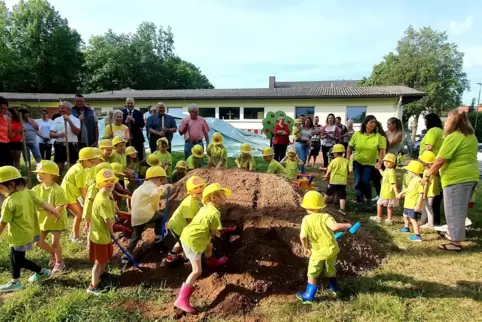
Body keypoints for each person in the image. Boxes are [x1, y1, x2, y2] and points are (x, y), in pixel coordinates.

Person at [422, 110, 478, 251]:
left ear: (453, 121)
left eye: (447, 119)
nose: (445, 122)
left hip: (456, 178)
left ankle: (455, 243)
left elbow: (441, 159)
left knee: (453, 210)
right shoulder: (471, 137)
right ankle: (453, 233)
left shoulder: (454, 137)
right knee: (460, 209)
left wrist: (427, 174)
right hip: (470, 176)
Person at [0, 166, 60, 293]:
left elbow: (3, 223)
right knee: (13, 257)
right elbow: (43, 203)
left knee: (18, 259)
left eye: (0, 187)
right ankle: (15, 281)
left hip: (19, 236)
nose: (0, 192)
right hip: (30, 232)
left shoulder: (9, 202)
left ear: (11, 184)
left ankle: (41, 272)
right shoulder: (29, 193)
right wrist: (54, 210)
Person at [175, 183, 230, 313]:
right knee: (197, 271)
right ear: (213, 198)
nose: (225, 197)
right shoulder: (214, 214)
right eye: (222, 195)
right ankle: (181, 300)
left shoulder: (205, 208)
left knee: (209, 245)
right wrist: (219, 232)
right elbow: (213, 233)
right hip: (193, 241)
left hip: (190, 235)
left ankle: (212, 262)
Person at [295, 191, 352, 304]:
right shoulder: (326, 216)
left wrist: (306, 247)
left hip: (317, 253)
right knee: (330, 268)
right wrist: (347, 225)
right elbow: (335, 227)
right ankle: (335, 288)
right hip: (331, 250)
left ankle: (308, 295)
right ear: (321, 206)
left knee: (312, 273)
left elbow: (302, 236)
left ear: (307, 207)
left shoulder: (306, 220)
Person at [124, 166, 171, 263]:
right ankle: (158, 236)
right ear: (157, 179)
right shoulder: (152, 187)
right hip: (145, 215)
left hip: (136, 216)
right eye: (161, 181)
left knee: (136, 236)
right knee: (160, 217)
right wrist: (165, 187)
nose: (161, 183)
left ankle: (127, 254)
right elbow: (155, 193)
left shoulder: (140, 188)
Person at [31, 160, 68, 274]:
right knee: (37, 242)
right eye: (38, 173)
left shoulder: (57, 190)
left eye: (43, 173)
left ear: (52, 175)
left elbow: (61, 205)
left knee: (55, 243)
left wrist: (55, 211)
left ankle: (59, 262)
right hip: (42, 220)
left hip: (56, 221)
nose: (39, 175)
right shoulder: (36, 189)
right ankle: (53, 253)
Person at [87, 168, 117, 295]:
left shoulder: (105, 195)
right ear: (99, 184)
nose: (110, 183)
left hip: (102, 235)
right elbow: (107, 220)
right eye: (106, 181)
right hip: (100, 236)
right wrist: (112, 231)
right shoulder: (102, 200)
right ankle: (93, 286)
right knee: (98, 263)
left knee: (104, 259)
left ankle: (102, 275)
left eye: (112, 181)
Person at [346, 115, 386, 210]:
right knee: (358, 182)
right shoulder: (357, 134)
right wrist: (347, 160)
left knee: (366, 181)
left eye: (374, 122)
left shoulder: (378, 136)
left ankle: (368, 202)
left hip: (370, 163)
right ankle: (360, 202)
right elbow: (349, 147)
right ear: (365, 123)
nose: (373, 124)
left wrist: (380, 161)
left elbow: (381, 150)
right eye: (371, 122)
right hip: (357, 162)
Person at [165, 176, 206, 265]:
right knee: (186, 242)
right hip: (178, 227)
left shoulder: (198, 199)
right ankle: (187, 260)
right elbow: (189, 224)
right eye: (195, 188)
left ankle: (171, 255)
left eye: (201, 187)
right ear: (190, 191)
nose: (199, 189)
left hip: (181, 225)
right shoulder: (189, 203)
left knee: (180, 241)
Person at [61, 147, 96, 243]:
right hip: (67, 195)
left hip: (70, 194)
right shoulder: (80, 171)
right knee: (79, 214)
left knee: (79, 214)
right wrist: (89, 202)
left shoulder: (80, 167)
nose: (93, 164)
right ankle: (75, 237)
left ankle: (74, 234)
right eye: (91, 161)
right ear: (84, 160)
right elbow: (82, 190)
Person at [50, 101, 81, 174]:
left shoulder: (76, 120)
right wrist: (58, 135)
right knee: (58, 167)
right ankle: (58, 183)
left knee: (72, 167)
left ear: (69, 109)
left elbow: (77, 132)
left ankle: (71, 181)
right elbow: (51, 134)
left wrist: (69, 121)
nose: (60, 110)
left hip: (71, 145)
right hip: (59, 145)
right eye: (60, 108)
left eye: (62, 108)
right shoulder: (56, 120)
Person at [83, 162, 112, 240]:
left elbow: (109, 195)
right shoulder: (93, 186)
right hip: (92, 210)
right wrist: (88, 216)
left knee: (100, 226)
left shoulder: (107, 184)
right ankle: (90, 244)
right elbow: (89, 200)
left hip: (100, 209)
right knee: (92, 228)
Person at [397, 160, 424, 242]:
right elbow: (409, 189)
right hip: (407, 203)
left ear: (414, 172)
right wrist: (402, 193)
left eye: (409, 170)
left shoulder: (419, 180)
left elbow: (421, 193)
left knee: (413, 219)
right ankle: (406, 228)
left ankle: (417, 236)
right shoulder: (413, 179)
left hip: (413, 204)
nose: (407, 171)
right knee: (405, 215)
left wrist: (418, 204)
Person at [322, 144, 351, 214]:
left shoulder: (333, 161)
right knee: (342, 195)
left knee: (328, 192)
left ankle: (322, 204)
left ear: (335, 153)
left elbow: (329, 169)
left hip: (334, 181)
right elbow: (350, 170)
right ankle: (342, 209)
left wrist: (326, 175)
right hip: (342, 182)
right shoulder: (346, 161)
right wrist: (347, 174)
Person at [370, 153, 399, 225]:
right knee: (389, 206)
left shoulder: (391, 172)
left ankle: (379, 217)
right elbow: (384, 175)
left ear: (393, 163)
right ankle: (389, 219)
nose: (386, 162)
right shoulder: (387, 170)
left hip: (386, 192)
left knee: (379, 204)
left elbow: (393, 183)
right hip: (388, 192)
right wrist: (379, 169)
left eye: (388, 161)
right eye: (385, 161)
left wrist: (396, 192)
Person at [418, 151, 440, 229]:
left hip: (428, 193)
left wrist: (423, 194)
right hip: (433, 192)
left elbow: (426, 184)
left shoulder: (426, 172)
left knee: (428, 208)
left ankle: (430, 224)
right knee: (425, 207)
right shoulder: (434, 171)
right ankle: (422, 221)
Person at [371, 121, 388, 201]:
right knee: (374, 180)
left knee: (377, 179)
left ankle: (381, 196)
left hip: (379, 160)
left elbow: (383, 151)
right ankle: (379, 195)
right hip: (371, 160)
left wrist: (381, 162)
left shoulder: (382, 138)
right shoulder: (371, 137)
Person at [0, 96, 13, 166]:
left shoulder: (7, 119)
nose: (3, 110)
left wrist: (18, 131)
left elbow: (10, 135)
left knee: (8, 166)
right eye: (1, 108)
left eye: (5, 109)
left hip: (6, 145)